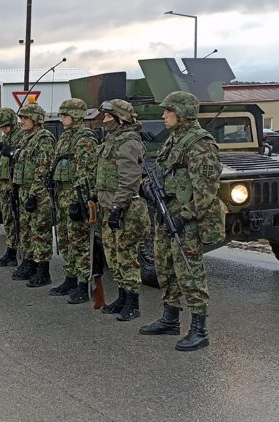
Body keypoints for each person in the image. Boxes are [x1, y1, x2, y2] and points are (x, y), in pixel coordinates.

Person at [139, 91, 225, 351]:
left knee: (189, 272)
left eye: (168, 111)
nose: (163, 115)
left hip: (187, 218)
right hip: (167, 213)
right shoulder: (174, 140)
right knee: (165, 267)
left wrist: (184, 216)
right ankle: (170, 318)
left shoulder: (200, 144)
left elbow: (207, 191)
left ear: (183, 113)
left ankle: (199, 329)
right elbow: (163, 173)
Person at [94, 99, 150, 321]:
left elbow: (129, 180)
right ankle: (121, 296)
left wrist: (117, 207)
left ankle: (133, 303)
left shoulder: (128, 143)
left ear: (121, 119)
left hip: (125, 209)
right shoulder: (112, 140)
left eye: (108, 116)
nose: (104, 120)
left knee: (126, 256)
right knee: (113, 255)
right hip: (109, 207)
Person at [47, 98, 99, 303]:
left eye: (65, 115)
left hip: (75, 195)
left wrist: (82, 200)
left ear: (77, 116)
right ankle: (70, 276)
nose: (62, 118)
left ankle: (83, 282)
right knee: (65, 239)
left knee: (80, 242)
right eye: (61, 114)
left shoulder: (84, 138)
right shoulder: (65, 137)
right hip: (61, 194)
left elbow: (86, 171)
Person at [4, 103, 55, 286]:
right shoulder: (26, 138)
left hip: (37, 193)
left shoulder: (43, 138)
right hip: (24, 189)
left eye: (25, 118)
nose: (22, 121)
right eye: (21, 118)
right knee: (26, 229)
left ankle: (43, 271)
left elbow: (43, 169)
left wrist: (34, 194)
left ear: (36, 119)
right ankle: (29, 262)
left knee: (40, 231)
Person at [0, 107, 24, 267]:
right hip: (4, 182)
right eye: (1, 127)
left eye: (6, 126)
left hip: (15, 184)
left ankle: (21, 252)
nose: (3, 129)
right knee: (8, 219)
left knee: (18, 219)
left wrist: (11, 152)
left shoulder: (21, 135)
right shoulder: (7, 136)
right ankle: (10, 251)